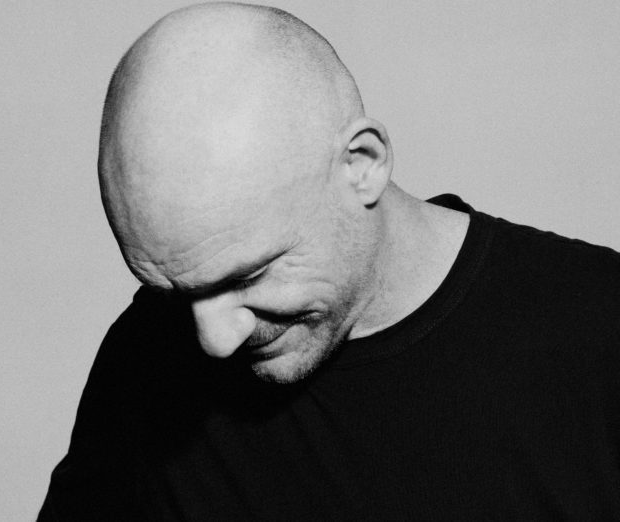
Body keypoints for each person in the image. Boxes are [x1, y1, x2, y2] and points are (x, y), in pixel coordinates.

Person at [38, 3, 620, 520]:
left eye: (248, 275)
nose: (214, 339)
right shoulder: (146, 358)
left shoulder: (597, 336)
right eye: (176, 292)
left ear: (362, 164)